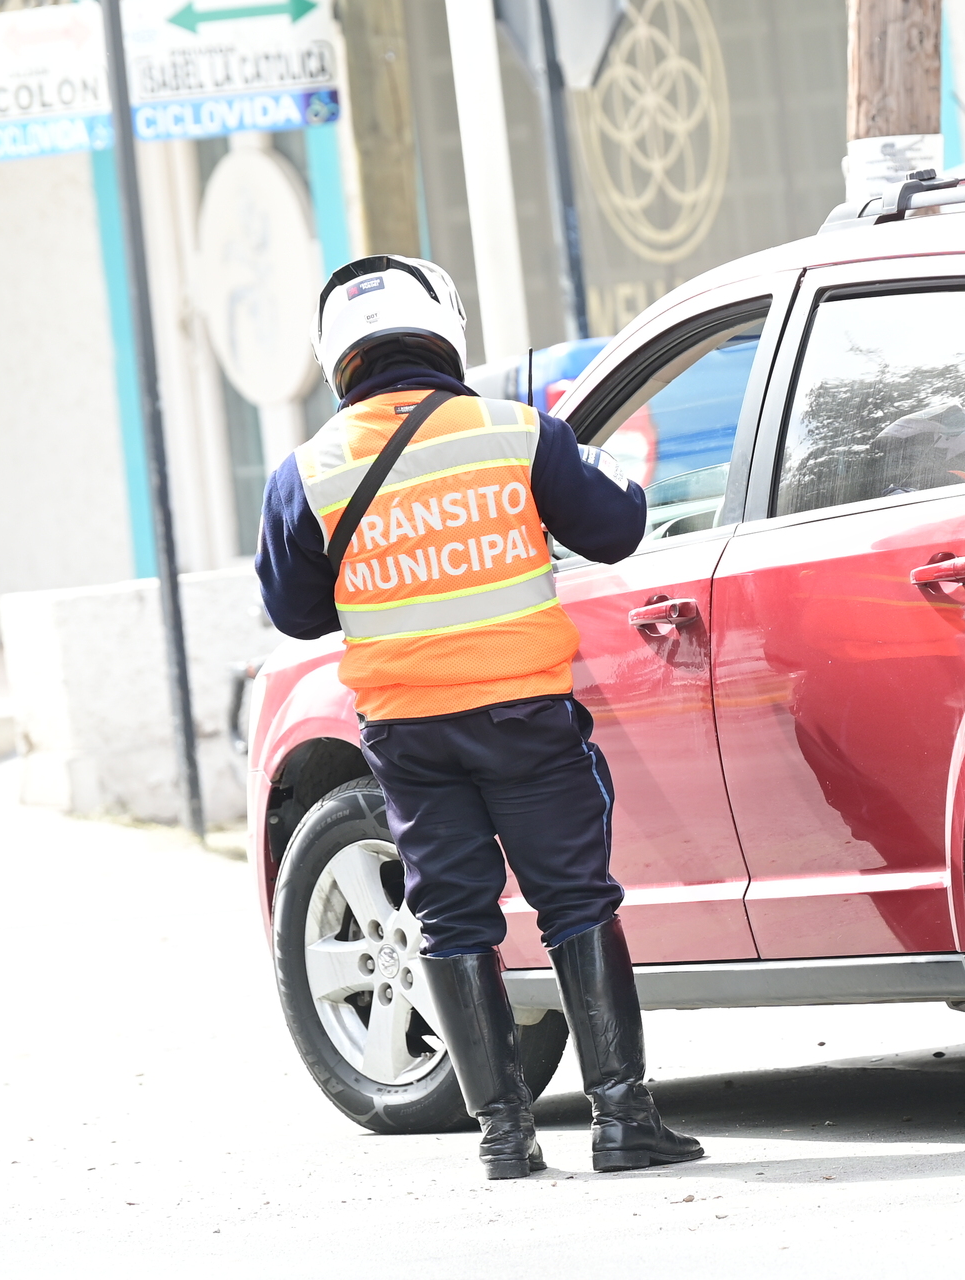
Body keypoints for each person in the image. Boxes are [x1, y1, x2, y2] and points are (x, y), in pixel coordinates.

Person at [256, 254, 703, 1179]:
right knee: (575, 899)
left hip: (408, 732)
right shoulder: (513, 432)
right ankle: (624, 1122)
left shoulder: (306, 473)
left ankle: (505, 1139)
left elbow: (296, 611)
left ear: (337, 357)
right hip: (523, 716)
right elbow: (617, 528)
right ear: (443, 329)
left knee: (453, 919)